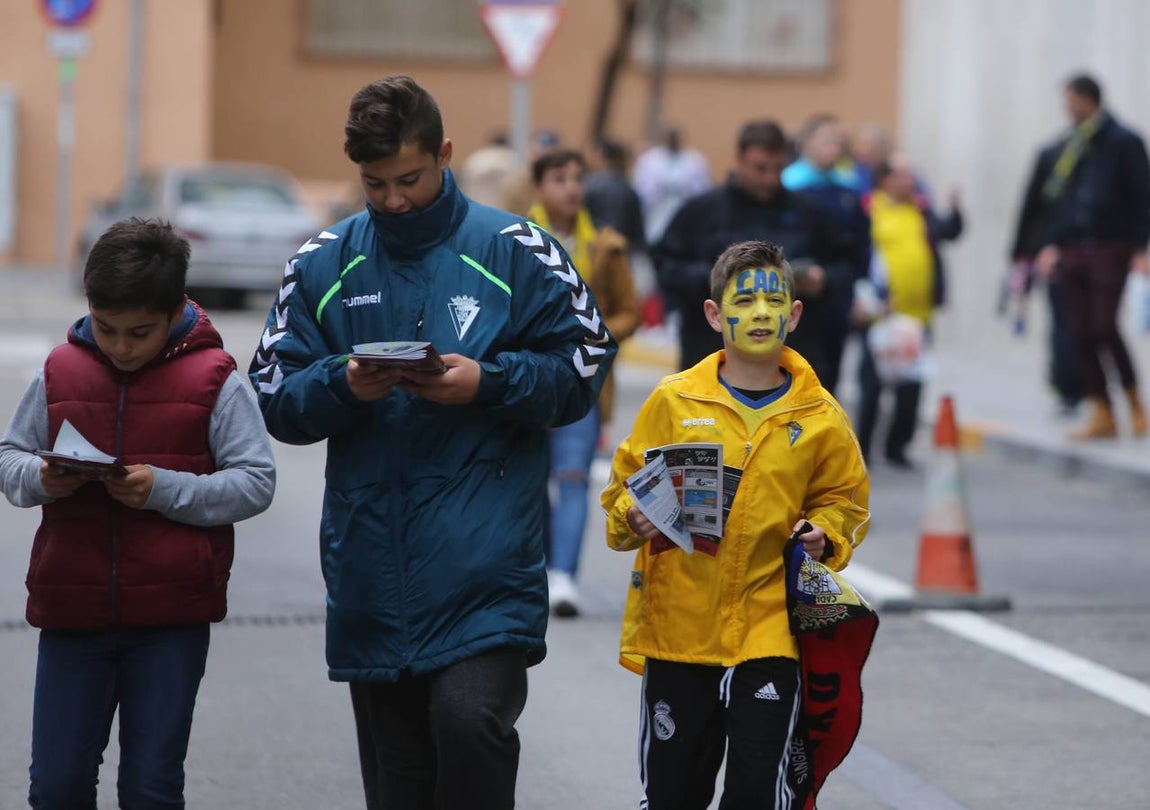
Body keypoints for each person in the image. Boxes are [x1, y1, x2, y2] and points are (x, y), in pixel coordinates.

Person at [249, 75, 616, 810]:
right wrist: (343, 383)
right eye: (373, 183)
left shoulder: (516, 248)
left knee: (468, 720)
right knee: (400, 785)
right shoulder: (322, 261)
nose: (391, 200)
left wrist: (487, 382)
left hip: (487, 570)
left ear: (445, 154)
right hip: (370, 578)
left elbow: (581, 366)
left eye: (409, 179)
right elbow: (274, 395)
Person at [0, 217, 276, 808]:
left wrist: (164, 489)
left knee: (151, 788)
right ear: (89, 307)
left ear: (176, 307)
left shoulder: (215, 379)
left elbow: (256, 483)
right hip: (71, 614)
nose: (121, 347)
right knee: (57, 786)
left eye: (140, 332)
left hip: (171, 621)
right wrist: (43, 479)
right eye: (106, 329)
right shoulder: (59, 370)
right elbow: (10, 461)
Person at [601, 240, 870, 809]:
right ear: (714, 314)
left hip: (770, 630)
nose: (760, 313)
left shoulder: (819, 416)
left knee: (756, 792)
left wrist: (827, 535)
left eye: (775, 301)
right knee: (674, 794)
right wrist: (636, 517)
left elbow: (845, 501)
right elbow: (620, 497)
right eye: (743, 301)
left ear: (794, 316)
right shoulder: (673, 401)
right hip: (680, 633)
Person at [528, 148, 642, 616]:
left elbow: (629, 311)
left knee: (573, 477)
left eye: (577, 178)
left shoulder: (605, 245)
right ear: (539, 188)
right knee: (532, 479)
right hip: (529, 378)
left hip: (583, 381)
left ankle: (564, 577)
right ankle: (541, 569)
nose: (571, 187)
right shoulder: (510, 239)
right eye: (559, 178)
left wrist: (595, 337)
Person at [654, 120, 853, 375]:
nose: (769, 178)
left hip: (794, 362)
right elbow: (667, 268)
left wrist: (823, 281)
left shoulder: (811, 213)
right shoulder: (701, 211)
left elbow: (847, 266)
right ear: (739, 159)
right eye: (760, 168)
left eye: (777, 168)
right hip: (710, 360)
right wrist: (722, 282)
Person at [1029, 73, 1150, 440]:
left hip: (1110, 247)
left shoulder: (1124, 141)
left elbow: (1142, 196)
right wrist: (1048, 245)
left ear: (1086, 99)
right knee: (1078, 332)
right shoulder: (1069, 145)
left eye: (1070, 100)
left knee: (1103, 325)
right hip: (1072, 249)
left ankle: (1133, 405)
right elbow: (1056, 202)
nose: (1066, 108)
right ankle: (1102, 412)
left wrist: (1141, 248)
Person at [857, 153, 964, 467]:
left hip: (918, 316)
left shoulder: (920, 209)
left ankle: (897, 447)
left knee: (912, 384)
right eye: (903, 175)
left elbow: (948, 232)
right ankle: (862, 448)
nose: (911, 180)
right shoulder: (868, 210)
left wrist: (955, 211)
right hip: (882, 314)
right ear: (885, 180)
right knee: (873, 385)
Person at [782, 114, 872, 394]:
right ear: (805, 143)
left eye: (837, 141)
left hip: (834, 294)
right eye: (826, 140)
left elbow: (860, 245)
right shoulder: (788, 185)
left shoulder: (847, 189)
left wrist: (856, 286)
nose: (833, 147)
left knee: (829, 374)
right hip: (793, 294)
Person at [632, 126, 712, 245]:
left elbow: (703, 190)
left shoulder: (694, 160)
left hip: (684, 219)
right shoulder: (650, 159)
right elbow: (641, 190)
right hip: (654, 219)